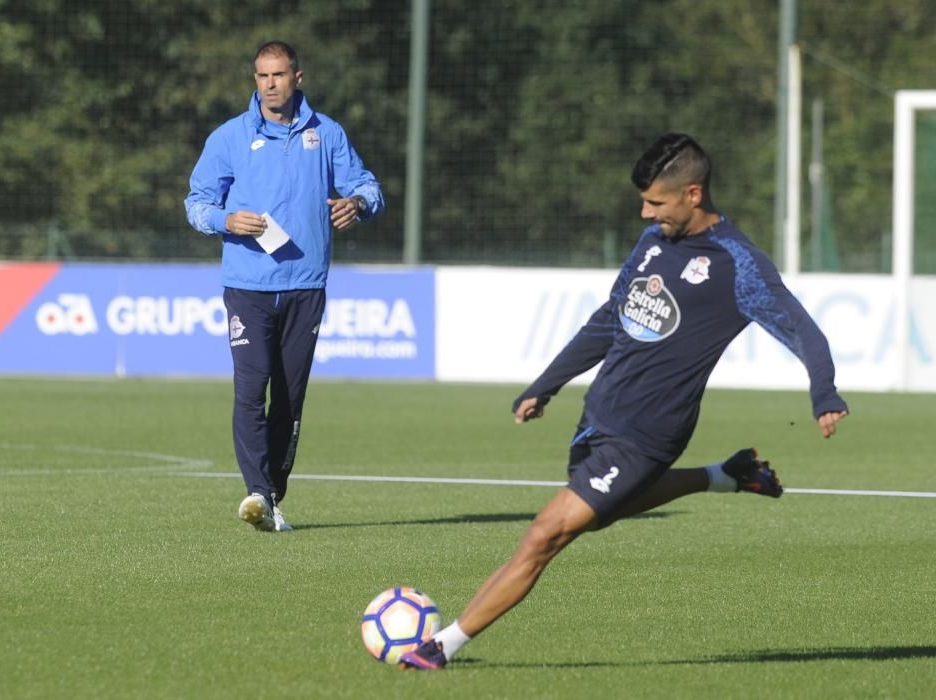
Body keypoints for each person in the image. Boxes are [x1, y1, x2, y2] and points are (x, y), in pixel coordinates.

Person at [399, 133, 848, 669]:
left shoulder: (737, 264)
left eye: (656, 202)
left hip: (648, 434)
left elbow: (803, 330)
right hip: (600, 417)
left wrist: (823, 392)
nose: (644, 212)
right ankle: (726, 475)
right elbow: (611, 319)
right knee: (597, 515)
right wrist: (546, 383)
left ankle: (442, 646)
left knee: (546, 535)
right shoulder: (654, 243)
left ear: (694, 195)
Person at [184, 41, 384, 532]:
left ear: (298, 77)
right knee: (251, 388)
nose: (270, 84)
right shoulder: (230, 137)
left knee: (289, 398)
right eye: (261, 76)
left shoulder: (327, 134)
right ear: (255, 80)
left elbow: (369, 186)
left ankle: (273, 497)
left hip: (306, 285)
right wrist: (226, 219)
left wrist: (355, 204)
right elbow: (196, 203)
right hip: (247, 286)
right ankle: (256, 491)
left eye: (278, 75)